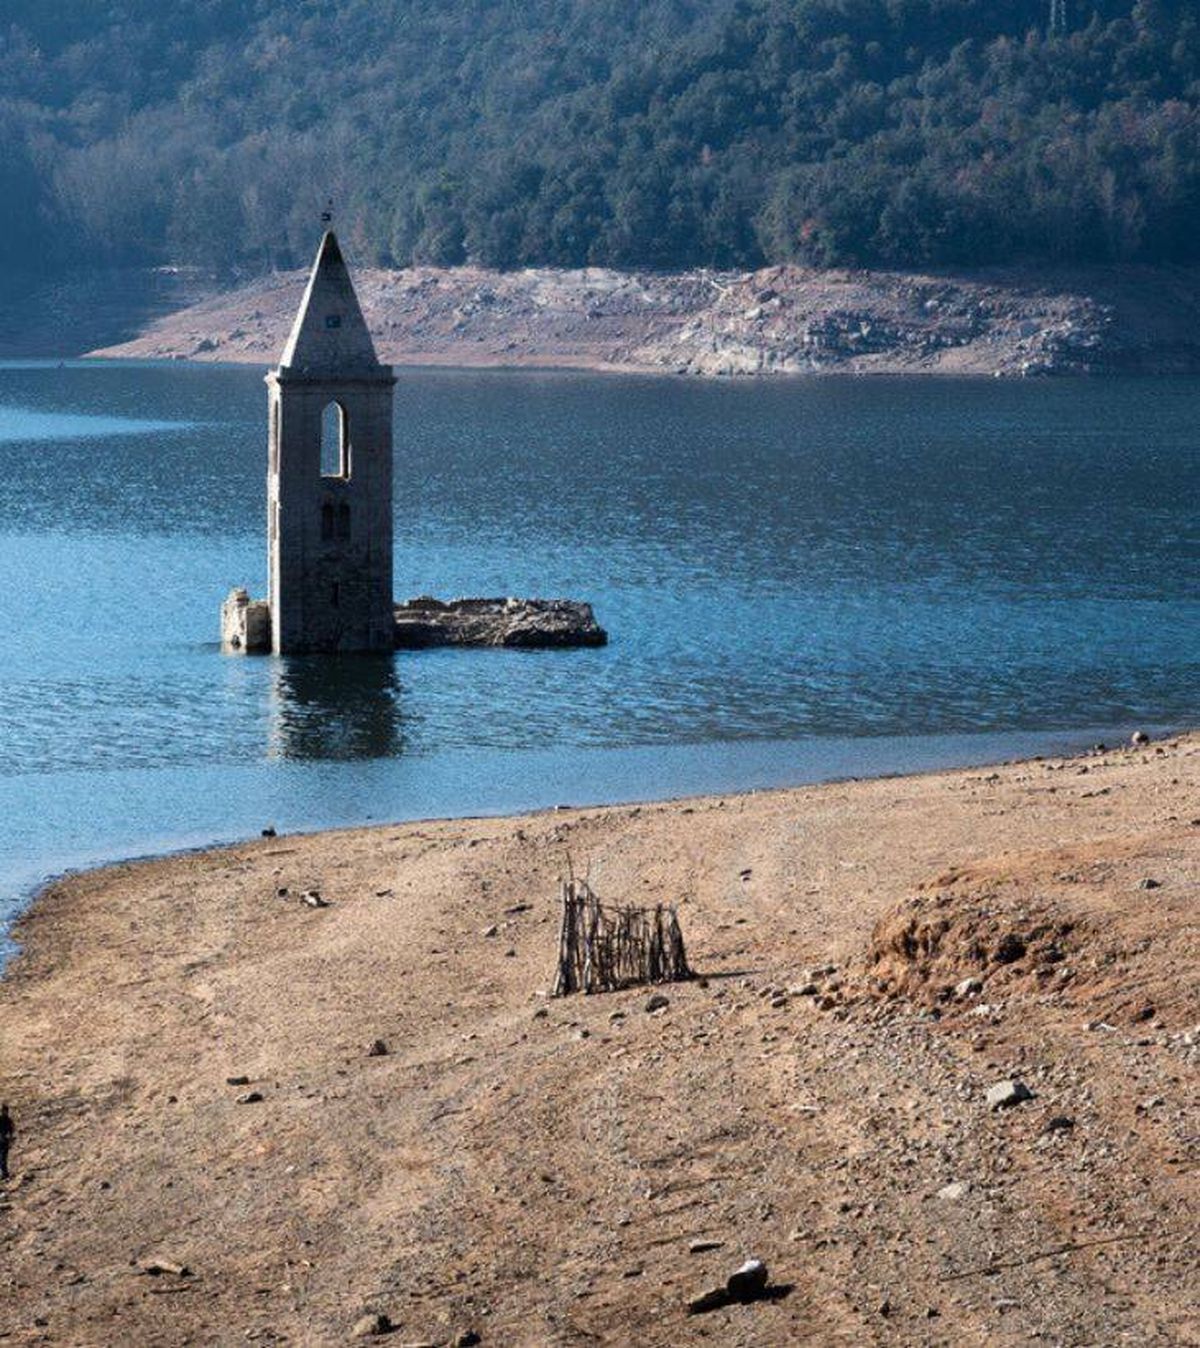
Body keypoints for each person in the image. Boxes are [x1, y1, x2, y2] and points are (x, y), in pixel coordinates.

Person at [0, 1103, 13, 1180]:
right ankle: (4, 1173)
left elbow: (11, 1131)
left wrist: (10, 1138)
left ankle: (5, 1174)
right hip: (2, 1140)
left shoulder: (8, 1120)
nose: (4, 1112)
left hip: (4, 1141)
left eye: (5, 1111)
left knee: (3, 1158)